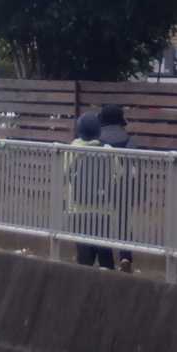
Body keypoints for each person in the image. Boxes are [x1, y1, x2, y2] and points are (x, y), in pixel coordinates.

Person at [66, 111, 116, 270]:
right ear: (98, 131)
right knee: (105, 252)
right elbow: (118, 174)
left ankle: (83, 279)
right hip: (103, 210)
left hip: (77, 209)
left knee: (84, 256)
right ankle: (108, 279)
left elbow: (64, 173)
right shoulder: (108, 150)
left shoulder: (71, 149)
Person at [97, 103, 134, 272]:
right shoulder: (128, 139)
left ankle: (106, 261)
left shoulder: (99, 140)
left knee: (102, 221)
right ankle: (125, 257)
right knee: (123, 222)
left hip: (102, 187)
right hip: (124, 187)